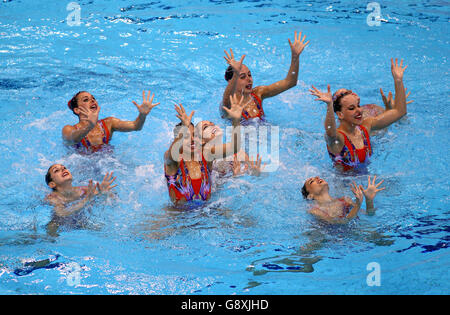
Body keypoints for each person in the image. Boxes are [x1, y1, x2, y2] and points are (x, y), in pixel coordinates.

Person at [309, 58, 408, 171]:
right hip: (343, 186)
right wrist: (329, 106)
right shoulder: (338, 139)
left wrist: (398, 80)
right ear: (340, 114)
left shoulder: (366, 126)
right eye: (352, 108)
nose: (359, 111)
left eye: (358, 105)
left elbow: (400, 112)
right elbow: (330, 131)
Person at [164, 95, 246, 206]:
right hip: (178, 218)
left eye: (194, 135)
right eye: (186, 137)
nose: (192, 140)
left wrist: (236, 121)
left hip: (208, 213)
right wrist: (183, 127)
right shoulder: (174, 162)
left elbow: (235, 147)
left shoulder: (206, 154)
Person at [221, 31, 309, 121]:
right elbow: (227, 98)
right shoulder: (229, 105)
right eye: (242, 77)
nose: (249, 79)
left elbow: (290, 82)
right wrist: (235, 74)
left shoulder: (258, 94)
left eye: (249, 75)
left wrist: (295, 57)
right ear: (231, 81)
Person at [63, 90, 159, 152]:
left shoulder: (109, 123)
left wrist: (142, 115)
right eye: (86, 100)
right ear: (77, 110)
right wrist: (89, 125)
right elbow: (72, 139)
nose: (92, 101)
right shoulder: (68, 129)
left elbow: (136, 126)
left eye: (93, 98)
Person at [301, 175, 385, 224]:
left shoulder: (345, 200)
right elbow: (340, 223)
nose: (317, 178)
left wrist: (369, 200)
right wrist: (358, 204)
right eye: (311, 182)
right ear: (310, 196)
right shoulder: (315, 211)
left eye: (316, 177)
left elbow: (369, 215)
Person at [195, 120, 265, 176]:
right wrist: (235, 119)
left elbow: (253, 175)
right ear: (201, 140)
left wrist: (256, 173)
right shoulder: (204, 157)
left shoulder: (238, 154)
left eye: (212, 123)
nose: (212, 125)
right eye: (205, 127)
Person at [44, 164, 117, 219]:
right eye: (56, 170)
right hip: (61, 223)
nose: (63, 169)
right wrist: (86, 200)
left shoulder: (84, 190)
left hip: (82, 219)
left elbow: (104, 201)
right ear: (52, 184)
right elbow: (61, 213)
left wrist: (103, 193)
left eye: (64, 168)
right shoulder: (53, 197)